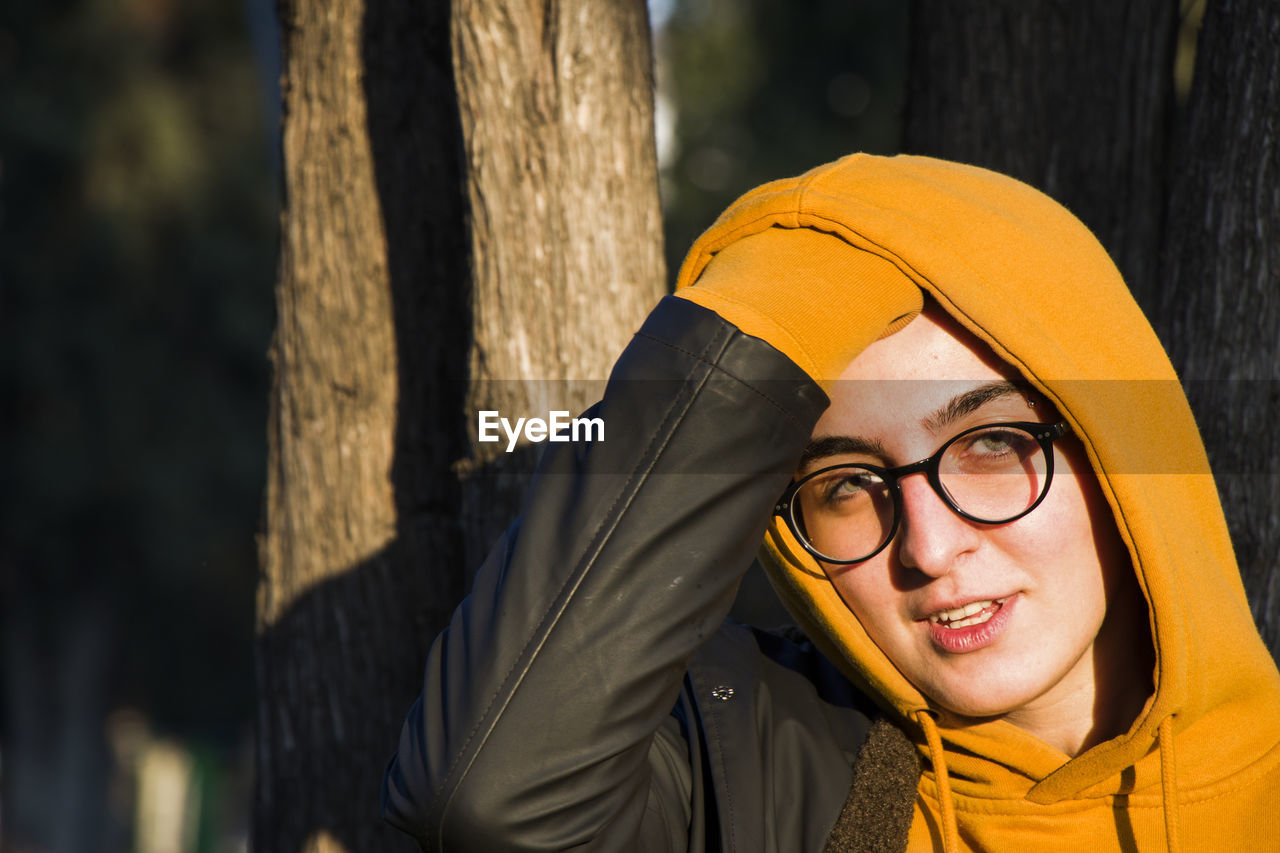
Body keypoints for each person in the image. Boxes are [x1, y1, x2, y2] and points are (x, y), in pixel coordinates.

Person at [381, 154, 1280, 852]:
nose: (927, 546)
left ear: (1117, 440)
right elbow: (491, 800)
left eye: (991, 446)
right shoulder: (742, 768)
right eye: (848, 484)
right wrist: (797, 272)